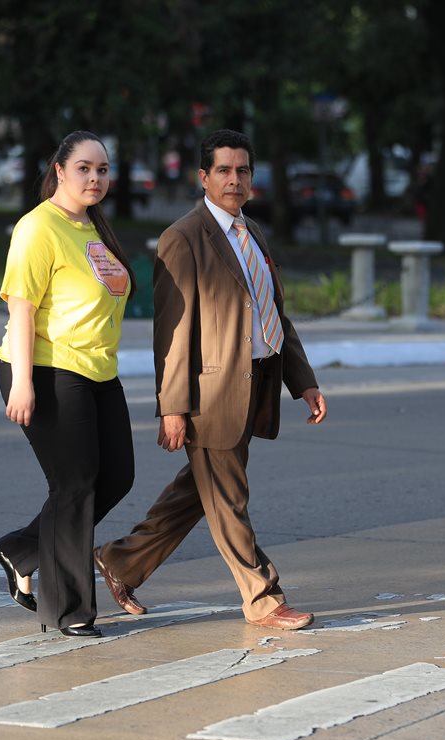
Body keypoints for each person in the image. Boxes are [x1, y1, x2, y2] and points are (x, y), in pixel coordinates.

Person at [94, 129, 328, 631]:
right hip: (209, 395)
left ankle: (121, 561)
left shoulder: (254, 233)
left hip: (253, 389)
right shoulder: (182, 238)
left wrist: (302, 381)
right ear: (203, 177)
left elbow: (273, 315)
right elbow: (172, 332)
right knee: (228, 499)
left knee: (203, 492)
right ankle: (263, 597)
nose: (235, 179)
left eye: (243, 170)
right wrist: (173, 406)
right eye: (223, 170)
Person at [0, 130, 136, 638]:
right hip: (47, 369)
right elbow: (21, 311)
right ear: (59, 171)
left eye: (103, 170)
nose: (95, 178)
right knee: (74, 486)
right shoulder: (37, 227)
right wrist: (22, 383)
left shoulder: (94, 227)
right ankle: (69, 610)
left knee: (117, 477)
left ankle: (23, 549)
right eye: (84, 169)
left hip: (98, 371)